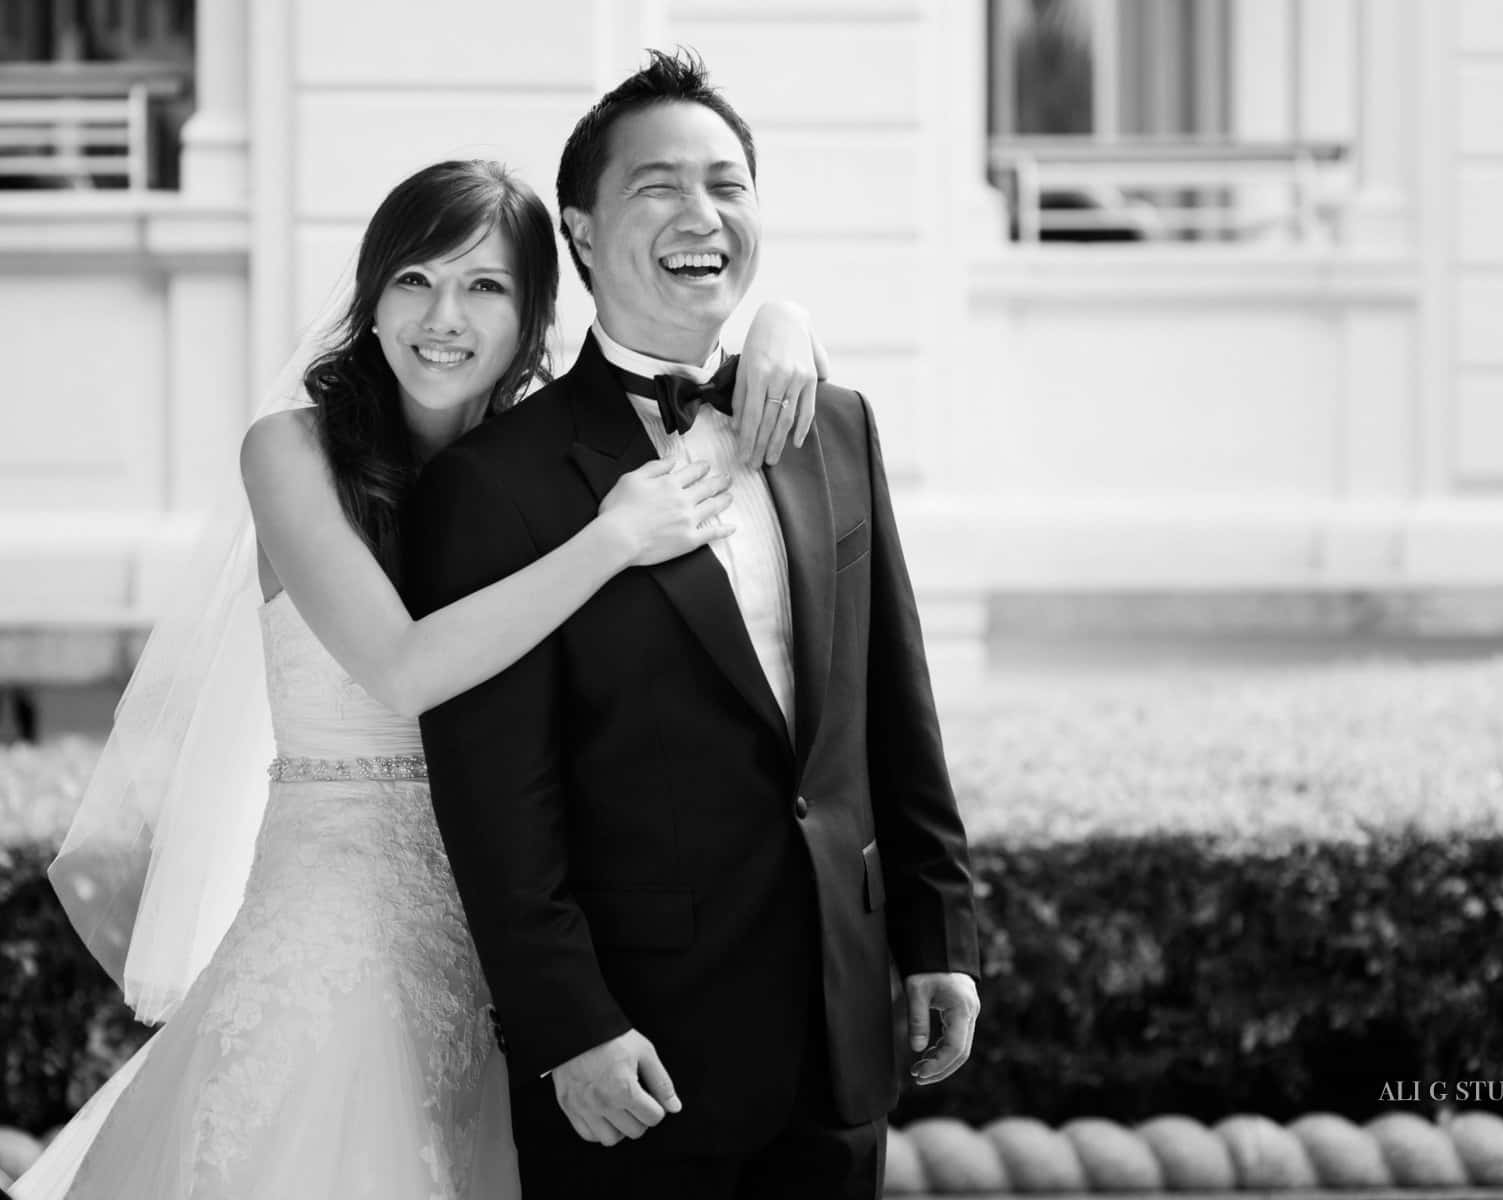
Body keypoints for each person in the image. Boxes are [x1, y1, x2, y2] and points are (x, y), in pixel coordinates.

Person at [14, 158, 826, 1200]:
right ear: (373, 292)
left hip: (504, 939)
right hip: (340, 923)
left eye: (485, 287)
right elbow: (399, 669)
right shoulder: (291, 448)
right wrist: (612, 538)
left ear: (535, 313)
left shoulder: (536, 457)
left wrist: (784, 321)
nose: (443, 316)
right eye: (415, 279)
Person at [405, 51, 981, 1200]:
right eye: (658, 186)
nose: (700, 215)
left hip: (841, 1030)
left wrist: (939, 936)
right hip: (635, 1061)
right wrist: (569, 1026)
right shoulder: (496, 485)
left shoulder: (838, 426)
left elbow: (890, 705)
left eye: (727, 184)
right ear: (578, 230)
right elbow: (494, 797)